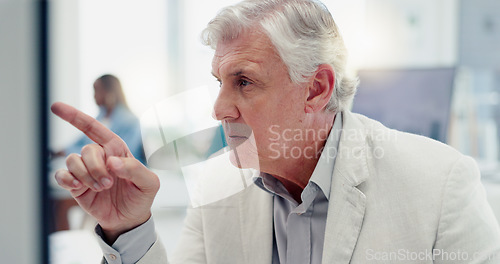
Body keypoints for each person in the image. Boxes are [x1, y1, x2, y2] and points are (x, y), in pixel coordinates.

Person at [51, 0, 500, 263]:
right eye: (220, 83)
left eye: (244, 82)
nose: (219, 108)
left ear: (316, 89)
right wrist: (130, 229)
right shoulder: (216, 188)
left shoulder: (440, 185)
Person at [52, 74, 145, 164]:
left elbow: (126, 155)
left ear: (108, 91)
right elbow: (81, 141)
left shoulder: (130, 121)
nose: (94, 96)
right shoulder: (100, 117)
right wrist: (61, 152)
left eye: (96, 90)